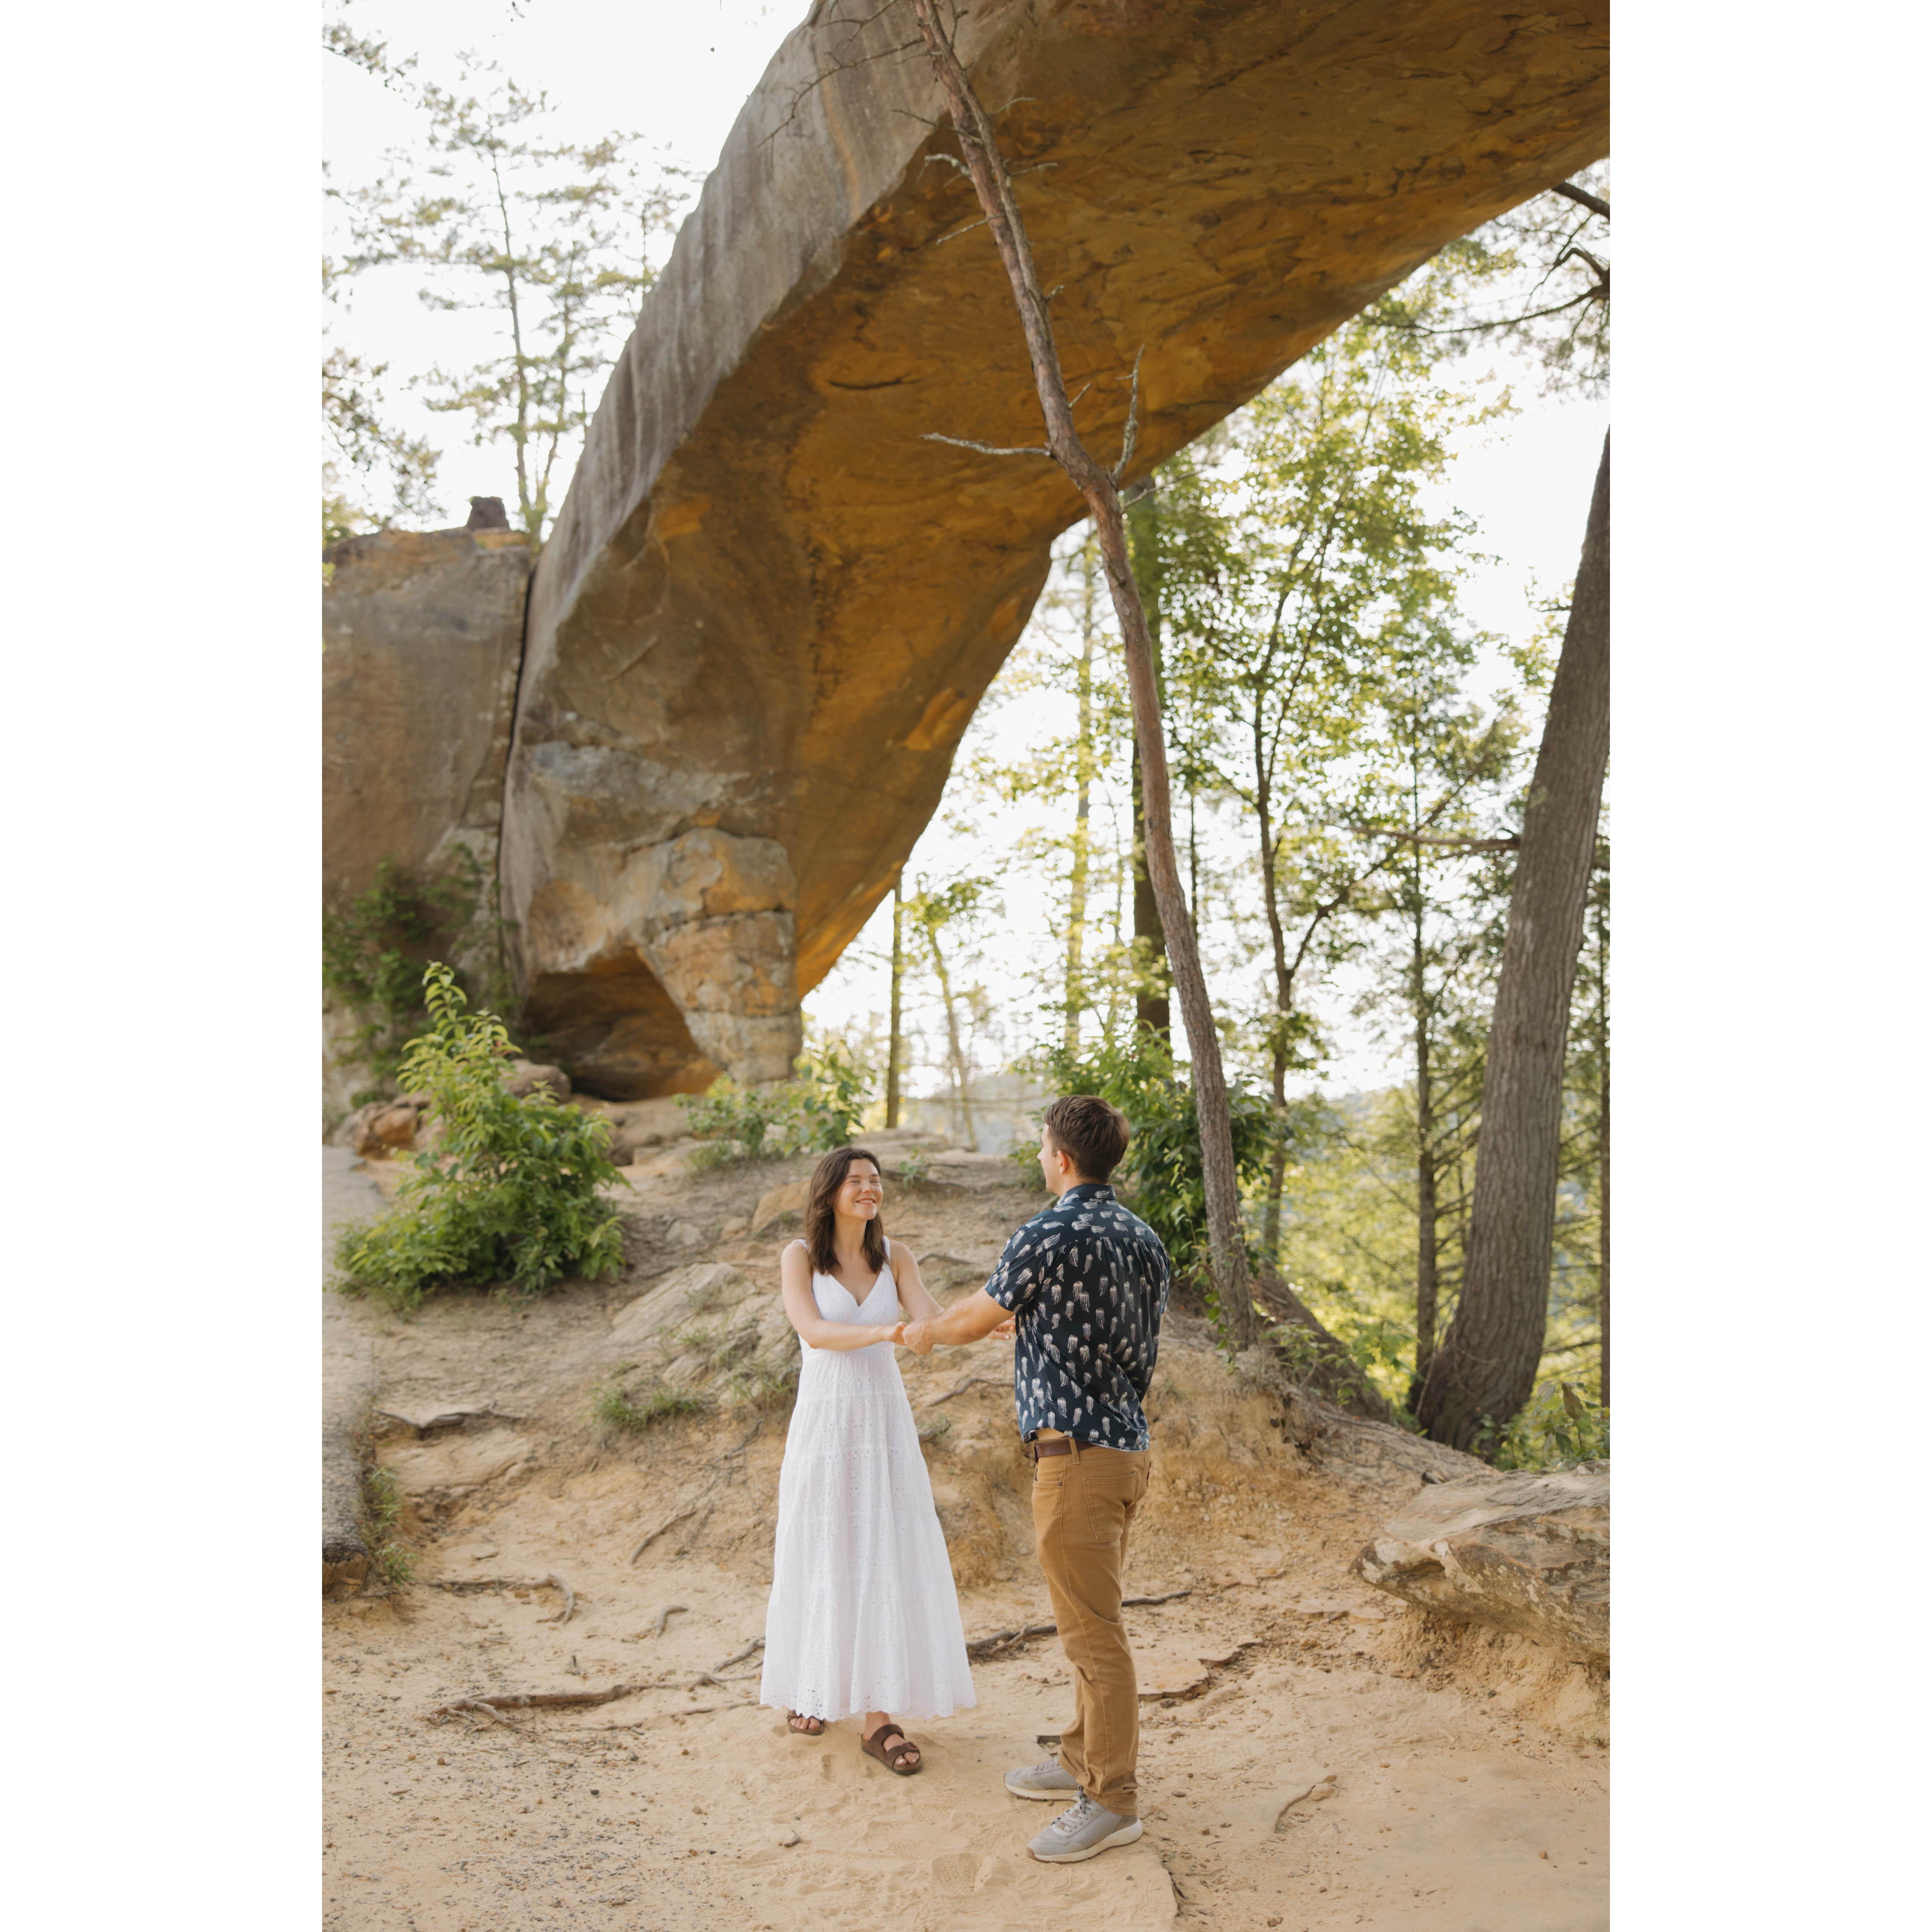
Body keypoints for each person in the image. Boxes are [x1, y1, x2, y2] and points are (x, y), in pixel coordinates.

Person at [903, 1093, 1170, 1865]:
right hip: (1123, 1450)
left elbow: (967, 1320)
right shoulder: (1142, 1237)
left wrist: (927, 1331)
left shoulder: (1047, 1230)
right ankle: (1080, 1760)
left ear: (1058, 1155)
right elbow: (1106, 1330)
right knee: (1090, 1624)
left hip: (1078, 1460)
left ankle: (1112, 1800)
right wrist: (1038, 1322)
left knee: (1095, 1637)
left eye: (1043, 1144)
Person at [758, 1143, 999, 1773]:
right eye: (857, 1180)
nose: (870, 1189)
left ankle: (878, 1717)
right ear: (830, 1191)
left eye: (876, 1180)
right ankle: (812, 1688)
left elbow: (931, 1318)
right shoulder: (799, 1257)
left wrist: (985, 1323)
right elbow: (815, 1331)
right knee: (824, 1548)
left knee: (881, 1549)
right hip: (826, 1424)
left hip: (883, 1427)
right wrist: (888, 1332)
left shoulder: (896, 1256)